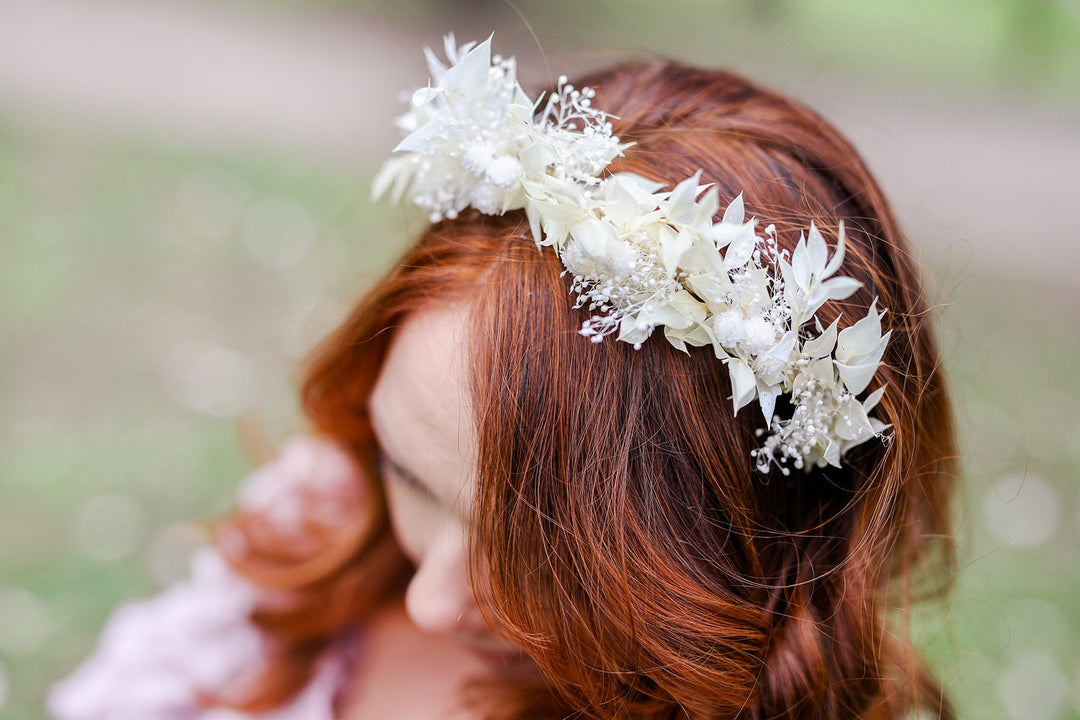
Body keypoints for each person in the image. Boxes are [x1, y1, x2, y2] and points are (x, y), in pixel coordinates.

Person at [50, 36, 957, 720]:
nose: (432, 600)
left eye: (544, 557)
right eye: (409, 474)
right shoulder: (321, 516)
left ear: (725, 554)